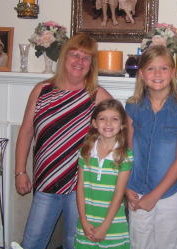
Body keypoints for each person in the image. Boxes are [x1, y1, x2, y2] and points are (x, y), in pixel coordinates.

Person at [15, 33, 112, 249]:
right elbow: (26, 132)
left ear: (91, 65)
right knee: (32, 242)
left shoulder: (97, 95)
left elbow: (122, 127)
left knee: (75, 243)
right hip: (46, 181)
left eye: (86, 58)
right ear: (64, 58)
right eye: (74, 55)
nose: (79, 61)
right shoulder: (41, 91)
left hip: (81, 185)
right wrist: (20, 171)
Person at [125, 45, 177, 249]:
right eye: (151, 69)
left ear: (172, 72)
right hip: (137, 191)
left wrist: (155, 196)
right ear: (142, 74)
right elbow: (127, 152)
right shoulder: (133, 106)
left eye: (163, 68)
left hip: (170, 194)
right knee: (139, 244)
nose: (158, 74)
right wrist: (126, 186)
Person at [75, 99, 133, 249]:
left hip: (113, 226)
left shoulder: (124, 156)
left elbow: (119, 194)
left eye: (114, 119)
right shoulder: (85, 151)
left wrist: (105, 226)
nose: (108, 123)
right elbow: (80, 188)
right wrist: (83, 220)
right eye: (102, 118)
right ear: (94, 123)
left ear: (122, 125)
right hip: (86, 225)